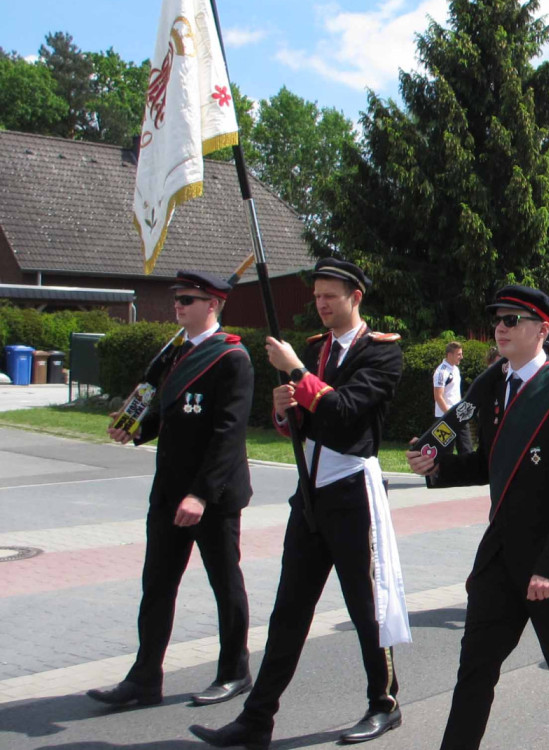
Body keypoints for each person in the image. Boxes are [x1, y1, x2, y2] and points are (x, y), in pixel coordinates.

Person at [192, 259, 408, 748]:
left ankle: (384, 702)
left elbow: (346, 414)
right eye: (316, 297)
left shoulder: (382, 355)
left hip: (354, 492)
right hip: (310, 495)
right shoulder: (315, 350)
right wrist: (282, 408)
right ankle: (257, 718)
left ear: (356, 296)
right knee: (288, 610)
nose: (321, 304)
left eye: (330, 296)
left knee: (366, 608)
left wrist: (295, 372)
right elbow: (302, 425)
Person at [406, 285, 549, 750]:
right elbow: (490, 464)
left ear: (542, 329)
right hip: (501, 557)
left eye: (513, 319)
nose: (500, 327)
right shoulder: (491, 385)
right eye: (498, 319)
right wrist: (437, 466)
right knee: (475, 669)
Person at [89, 271, 253, 710]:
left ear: (212, 305)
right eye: (177, 299)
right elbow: (166, 411)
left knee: (225, 582)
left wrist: (200, 494)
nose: (178, 306)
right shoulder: (175, 353)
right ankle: (144, 677)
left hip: (211, 496)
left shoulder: (231, 358)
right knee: (157, 584)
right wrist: (135, 429)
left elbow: (227, 433)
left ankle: (235, 670)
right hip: (168, 491)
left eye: (187, 299)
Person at [434, 341, 464, 421]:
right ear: (450, 355)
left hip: (457, 414)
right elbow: (438, 396)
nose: (462, 357)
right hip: (445, 416)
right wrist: (449, 415)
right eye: (459, 354)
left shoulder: (456, 369)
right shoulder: (441, 372)